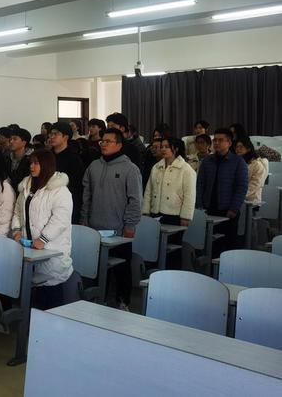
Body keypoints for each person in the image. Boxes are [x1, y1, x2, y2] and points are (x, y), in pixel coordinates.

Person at [82, 128, 142, 310]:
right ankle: (99, 302)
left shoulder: (130, 169)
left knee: (121, 268)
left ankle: (123, 302)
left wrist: (130, 226)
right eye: (102, 141)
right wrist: (84, 219)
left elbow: (135, 200)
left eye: (108, 141)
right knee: (97, 268)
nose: (103, 144)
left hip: (119, 230)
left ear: (119, 145)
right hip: (95, 229)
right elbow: (86, 195)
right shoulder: (94, 166)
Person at [11, 149, 74, 310]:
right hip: (30, 248)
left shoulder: (60, 190)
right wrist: (16, 230)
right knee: (36, 294)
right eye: (31, 163)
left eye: (36, 163)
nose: (31, 166)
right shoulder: (27, 186)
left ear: (46, 165)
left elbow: (60, 219)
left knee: (52, 292)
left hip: (51, 248)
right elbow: (18, 211)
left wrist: (43, 239)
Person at [196, 128, 249, 252]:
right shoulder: (207, 161)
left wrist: (234, 208)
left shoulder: (238, 162)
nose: (216, 143)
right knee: (209, 246)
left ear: (229, 143)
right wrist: (199, 205)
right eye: (215, 140)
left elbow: (241, 187)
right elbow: (200, 184)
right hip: (208, 209)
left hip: (228, 210)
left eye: (220, 140)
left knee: (228, 247)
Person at [143, 137, 196, 226]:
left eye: (167, 147)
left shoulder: (186, 169)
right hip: (155, 213)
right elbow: (149, 191)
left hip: (175, 215)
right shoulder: (156, 167)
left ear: (176, 149)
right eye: (162, 147)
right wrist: (145, 211)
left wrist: (185, 217)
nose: (163, 149)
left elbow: (189, 196)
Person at [48, 122, 84, 224]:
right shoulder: (47, 156)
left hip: (65, 204)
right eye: (51, 134)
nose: (52, 137)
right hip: (46, 204)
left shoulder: (74, 158)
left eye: (56, 134)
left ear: (65, 137)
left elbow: (77, 188)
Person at [234, 137, 269, 206]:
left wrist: (238, 196)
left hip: (251, 200)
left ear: (248, 149)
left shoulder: (258, 164)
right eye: (237, 147)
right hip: (237, 198)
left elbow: (255, 185)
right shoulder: (237, 162)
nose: (238, 149)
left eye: (241, 147)